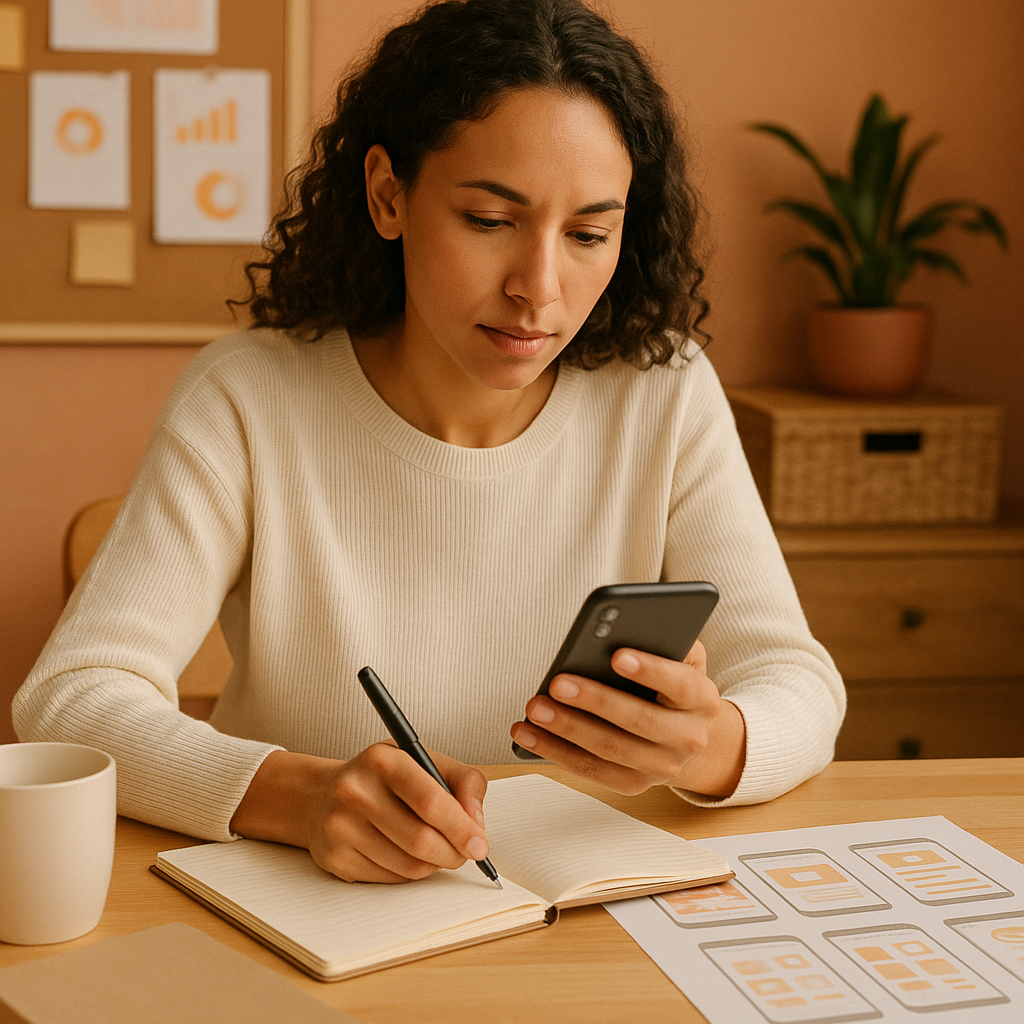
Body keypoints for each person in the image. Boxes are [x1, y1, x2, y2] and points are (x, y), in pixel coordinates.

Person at [15, 0, 843, 885]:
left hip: (587, 923)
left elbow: (799, 682)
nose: (540, 288)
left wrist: (708, 747)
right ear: (388, 194)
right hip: (320, 919)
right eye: (490, 220)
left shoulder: (662, 391)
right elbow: (71, 701)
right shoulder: (249, 398)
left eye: (590, 234)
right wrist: (299, 797)